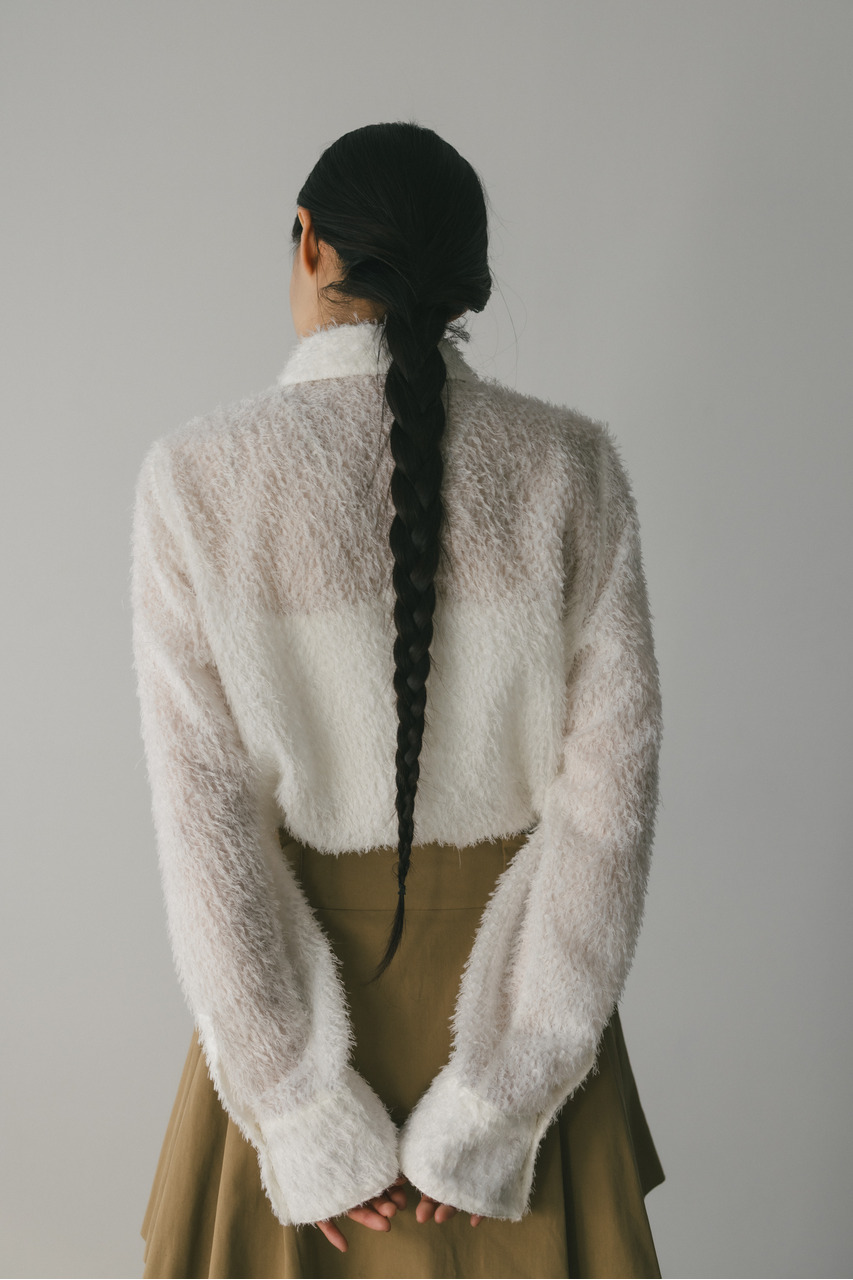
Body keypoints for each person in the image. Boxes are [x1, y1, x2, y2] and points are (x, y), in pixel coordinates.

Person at [132, 121, 665, 1279]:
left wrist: (296, 1108)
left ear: (310, 244)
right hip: (525, 997)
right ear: (468, 277)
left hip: (297, 1003)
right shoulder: (572, 467)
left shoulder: (195, 479)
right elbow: (607, 819)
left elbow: (206, 832)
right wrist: (505, 1096)